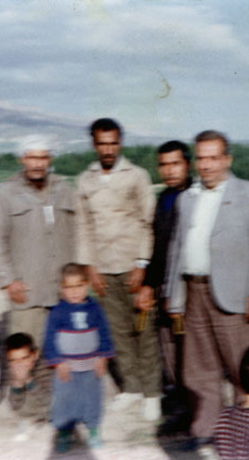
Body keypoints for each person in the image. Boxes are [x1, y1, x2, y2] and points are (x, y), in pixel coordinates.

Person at [165, 130, 249, 449]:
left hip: (235, 295)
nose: (207, 165)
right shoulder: (187, 198)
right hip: (194, 290)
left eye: (214, 158)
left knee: (242, 368)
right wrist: (174, 296)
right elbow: (177, 248)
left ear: (227, 159)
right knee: (198, 368)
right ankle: (205, 429)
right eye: (201, 158)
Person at [75, 118, 159, 419]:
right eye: (102, 144)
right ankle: (132, 388)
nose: (108, 150)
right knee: (116, 332)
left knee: (144, 330)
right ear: (94, 144)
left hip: (133, 265)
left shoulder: (136, 176)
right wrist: (90, 268)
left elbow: (148, 222)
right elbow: (83, 226)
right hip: (104, 269)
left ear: (120, 143)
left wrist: (142, 263)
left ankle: (152, 392)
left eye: (113, 143)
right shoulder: (85, 180)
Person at [0, 134, 75, 347]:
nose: (37, 164)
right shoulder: (5, 193)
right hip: (27, 291)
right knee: (27, 352)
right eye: (32, 158)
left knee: (63, 351)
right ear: (22, 159)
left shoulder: (63, 189)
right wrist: (8, 281)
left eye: (43, 158)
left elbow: (76, 233)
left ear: (50, 160)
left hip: (62, 291)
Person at [136, 140, 192, 426]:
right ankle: (181, 402)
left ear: (187, 165)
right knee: (169, 345)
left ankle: (198, 405)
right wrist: (149, 284)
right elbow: (159, 248)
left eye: (175, 164)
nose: (169, 171)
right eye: (164, 165)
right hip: (164, 286)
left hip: (189, 286)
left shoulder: (196, 196)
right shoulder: (164, 198)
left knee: (192, 348)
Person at [42, 263, 115, 453]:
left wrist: (103, 357)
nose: (74, 291)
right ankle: (64, 432)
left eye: (78, 286)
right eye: (69, 287)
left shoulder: (95, 309)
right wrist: (58, 362)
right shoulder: (57, 312)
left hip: (91, 365)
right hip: (66, 367)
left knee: (92, 398)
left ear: (87, 285)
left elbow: (104, 334)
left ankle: (93, 429)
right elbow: (49, 339)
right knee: (65, 400)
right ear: (61, 288)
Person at [5, 332, 52, 436]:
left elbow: (48, 400)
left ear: (35, 355)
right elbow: (15, 405)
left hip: (48, 406)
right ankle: (32, 420)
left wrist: (29, 380)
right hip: (30, 412)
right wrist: (18, 383)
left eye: (24, 358)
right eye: (13, 360)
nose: (20, 364)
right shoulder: (13, 369)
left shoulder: (45, 366)